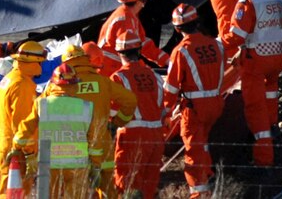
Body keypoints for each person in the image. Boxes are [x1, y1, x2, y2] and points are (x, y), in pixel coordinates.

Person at [222, 0, 282, 166]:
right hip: (278, 57)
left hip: (256, 60)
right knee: (271, 95)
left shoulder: (246, 2)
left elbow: (236, 37)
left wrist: (215, 43)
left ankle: (262, 158)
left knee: (254, 107)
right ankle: (273, 126)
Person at [163, 4, 225, 198]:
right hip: (216, 102)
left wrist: (165, 110)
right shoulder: (217, 45)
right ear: (197, 22)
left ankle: (199, 192)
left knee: (193, 150)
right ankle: (208, 174)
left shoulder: (181, 51)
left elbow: (171, 87)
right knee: (202, 142)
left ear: (177, 28)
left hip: (195, 108)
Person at [62, 44, 138, 198]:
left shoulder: (60, 85)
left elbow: (41, 107)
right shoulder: (102, 82)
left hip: (73, 144)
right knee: (107, 189)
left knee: (76, 190)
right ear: (86, 60)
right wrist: (117, 122)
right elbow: (130, 100)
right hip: (102, 143)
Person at [11, 63, 96, 199]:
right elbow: (95, 139)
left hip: (48, 163)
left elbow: (26, 127)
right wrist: (96, 165)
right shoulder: (86, 107)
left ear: (53, 84)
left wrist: (16, 146)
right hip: (77, 164)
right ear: (75, 85)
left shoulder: (42, 104)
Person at [109, 30, 166, 199]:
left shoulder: (118, 78)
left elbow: (112, 111)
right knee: (150, 183)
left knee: (127, 183)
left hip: (132, 135)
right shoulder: (155, 76)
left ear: (119, 53)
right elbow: (163, 107)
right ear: (139, 51)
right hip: (156, 135)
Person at [0, 41, 47, 198]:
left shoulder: (10, 78)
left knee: (7, 192)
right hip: (16, 149)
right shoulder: (22, 85)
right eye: (39, 63)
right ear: (32, 63)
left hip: (3, 144)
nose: (41, 67)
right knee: (17, 194)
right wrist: (29, 153)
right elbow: (22, 122)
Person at [97, 0, 170, 78]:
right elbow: (129, 52)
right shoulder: (125, 20)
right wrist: (145, 69)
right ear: (141, 1)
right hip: (111, 69)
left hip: (113, 67)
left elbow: (142, 42)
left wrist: (166, 59)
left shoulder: (128, 16)